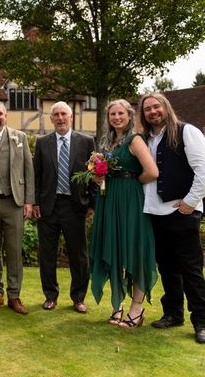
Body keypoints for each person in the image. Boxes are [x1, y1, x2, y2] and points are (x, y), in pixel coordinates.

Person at [139, 93, 205, 344]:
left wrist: (190, 202)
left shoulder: (186, 131)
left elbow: (203, 170)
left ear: (166, 107)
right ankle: (173, 314)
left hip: (182, 212)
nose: (153, 112)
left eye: (156, 106)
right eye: (147, 109)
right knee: (167, 268)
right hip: (155, 213)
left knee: (191, 269)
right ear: (143, 114)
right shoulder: (146, 139)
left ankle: (201, 320)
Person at [89, 99, 158, 328]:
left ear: (129, 116)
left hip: (130, 201)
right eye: (112, 114)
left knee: (135, 251)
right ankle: (117, 306)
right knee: (115, 250)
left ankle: (136, 309)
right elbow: (99, 172)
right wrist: (97, 176)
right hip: (108, 200)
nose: (116, 117)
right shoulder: (108, 142)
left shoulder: (135, 140)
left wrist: (133, 183)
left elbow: (152, 171)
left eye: (120, 113)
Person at [33, 101, 94, 313]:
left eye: (63, 114)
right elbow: (36, 176)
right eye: (56, 115)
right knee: (47, 254)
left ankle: (78, 298)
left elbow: (93, 176)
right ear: (51, 119)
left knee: (79, 255)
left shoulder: (86, 142)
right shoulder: (42, 143)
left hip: (75, 206)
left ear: (70, 117)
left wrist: (91, 204)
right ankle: (50, 296)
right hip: (48, 206)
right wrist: (35, 203)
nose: (60, 118)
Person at [0, 101, 34, 314]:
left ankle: (14, 295)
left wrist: (29, 201)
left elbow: (28, 170)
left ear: (6, 116)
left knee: (13, 251)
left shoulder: (19, 137)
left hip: (14, 201)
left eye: (0, 113)